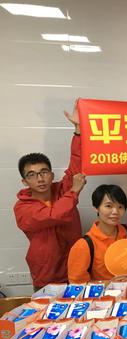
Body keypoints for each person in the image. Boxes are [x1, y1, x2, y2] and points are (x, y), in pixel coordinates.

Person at [14, 102, 87, 289]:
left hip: (76, 269)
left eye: (44, 172)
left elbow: (76, 165)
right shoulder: (22, 208)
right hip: (46, 277)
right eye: (32, 175)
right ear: (24, 181)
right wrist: (74, 192)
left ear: (52, 175)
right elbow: (52, 215)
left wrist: (79, 131)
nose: (40, 178)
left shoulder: (62, 191)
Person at [68, 184, 127, 282]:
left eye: (120, 207)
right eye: (109, 206)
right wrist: (109, 284)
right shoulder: (84, 245)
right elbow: (76, 284)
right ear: (96, 207)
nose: (115, 211)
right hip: (103, 292)